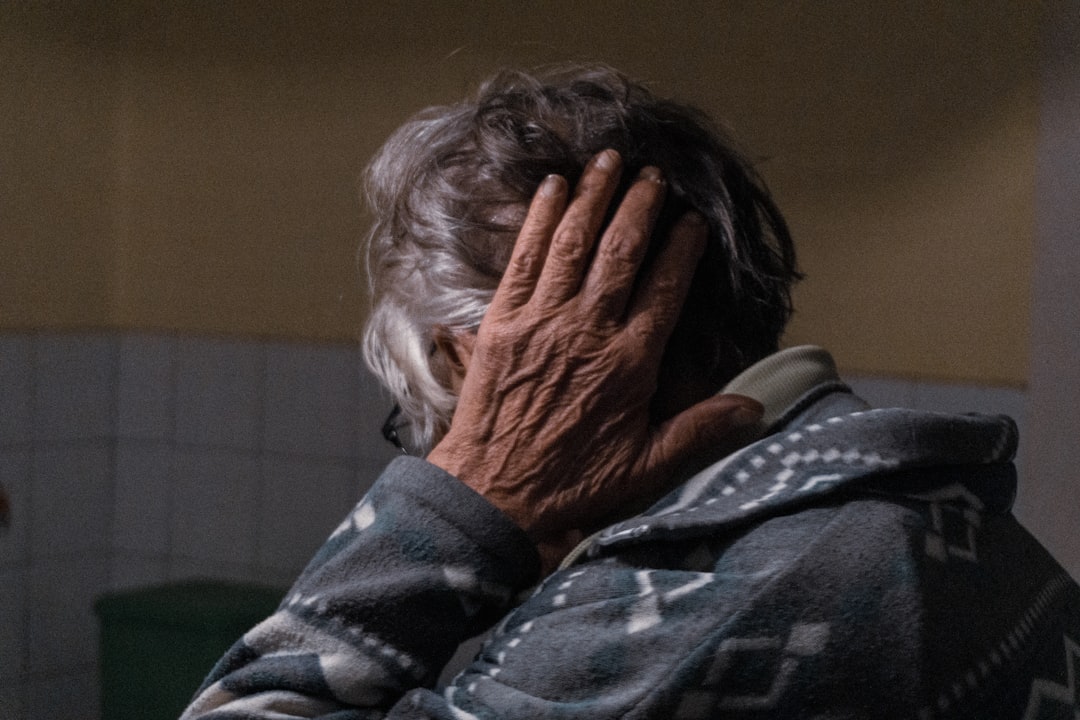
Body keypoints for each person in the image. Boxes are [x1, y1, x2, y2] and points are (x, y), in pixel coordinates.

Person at [181, 66, 1080, 719]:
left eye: (440, 418)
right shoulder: (927, 506)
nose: (445, 443)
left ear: (493, 372)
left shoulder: (686, 608)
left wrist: (464, 501)